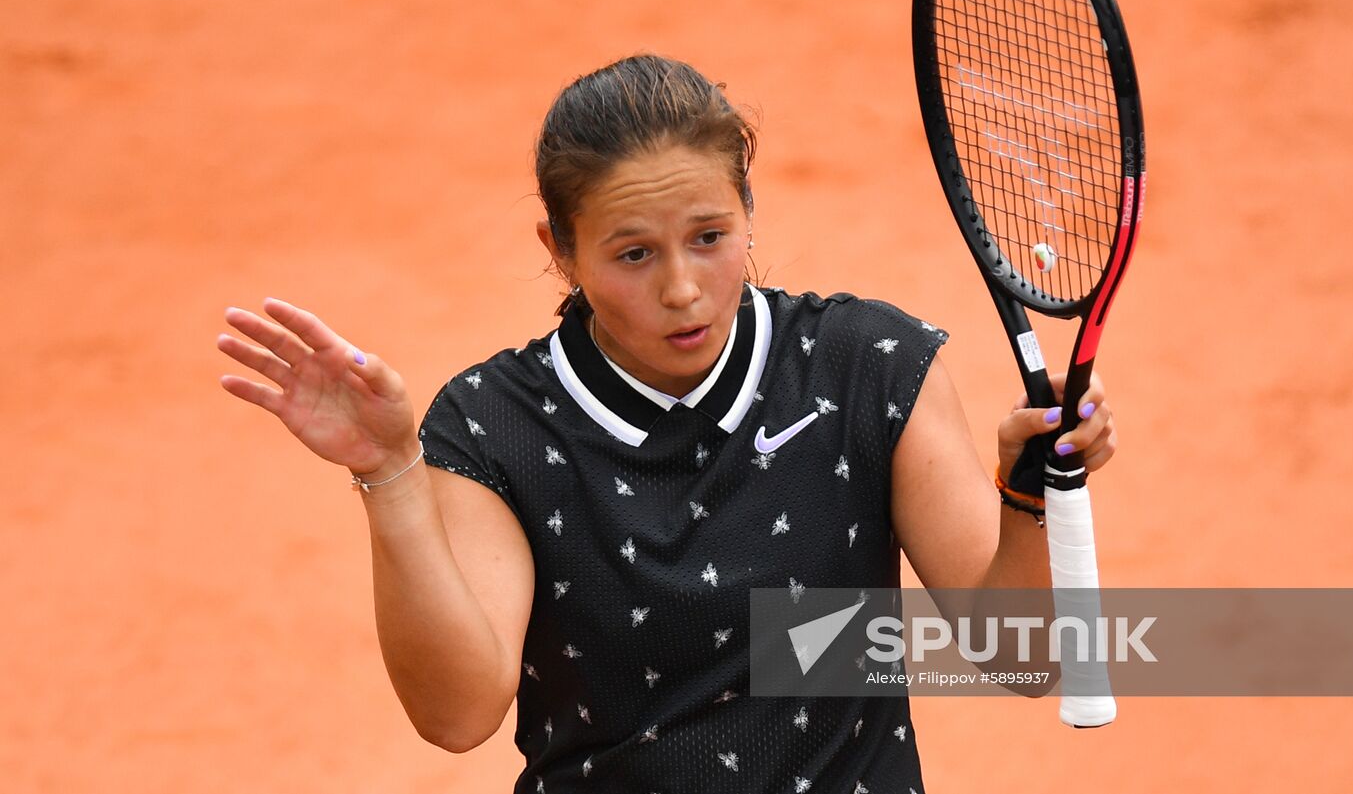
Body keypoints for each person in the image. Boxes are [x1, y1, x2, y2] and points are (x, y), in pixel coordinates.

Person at [217, 54, 1116, 793]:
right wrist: (392, 473)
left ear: (750, 212)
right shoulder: (495, 429)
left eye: (710, 237)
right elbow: (457, 717)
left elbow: (1021, 661)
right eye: (634, 253)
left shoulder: (867, 365)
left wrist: (1028, 494)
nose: (682, 289)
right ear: (559, 251)